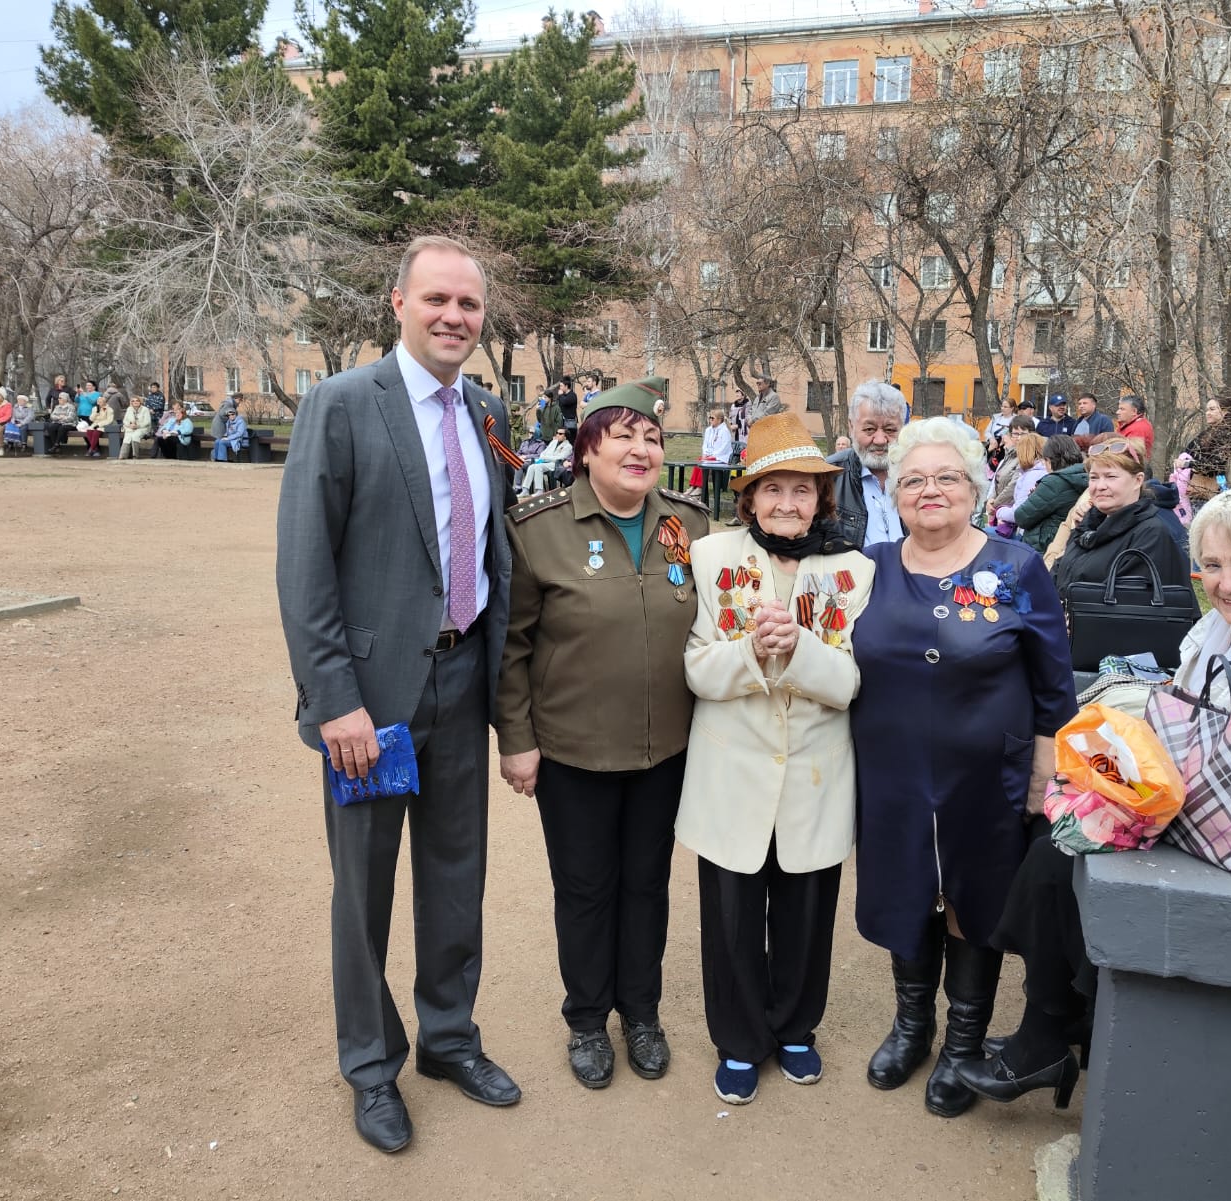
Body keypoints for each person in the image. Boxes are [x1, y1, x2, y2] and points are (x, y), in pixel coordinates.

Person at [970, 488, 1231, 1109]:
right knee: (1056, 828)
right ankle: (1069, 1016)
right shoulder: (1226, 628)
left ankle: (1050, 1033)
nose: (1226, 583)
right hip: (1209, 811)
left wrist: (1142, 813)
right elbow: (1183, 724)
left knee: (1064, 856)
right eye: (1212, 565)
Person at [276, 234, 523, 1154]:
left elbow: (494, 552)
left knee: (457, 877)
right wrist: (333, 699)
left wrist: (505, 698)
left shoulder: (488, 410)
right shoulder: (342, 405)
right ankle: (372, 1065)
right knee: (364, 890)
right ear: (398, 304)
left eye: (469, 304)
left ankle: (449, 1038)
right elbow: (305, 568)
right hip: (371, 703)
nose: (454, 316)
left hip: (462, 681)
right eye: (437, 300)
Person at [851, 417, 1077, 1118]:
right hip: (890, 773)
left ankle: (963, 1041)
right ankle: (912, 1025)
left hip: (987, 777)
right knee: (907, 890)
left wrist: (1043, 772)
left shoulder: (1017, 568)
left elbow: (1054, 684)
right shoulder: (868, 568)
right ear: (894, 491)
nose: (931, 490)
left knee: (971, 900)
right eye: (913, 479)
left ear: (975, 488)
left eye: (947, 477)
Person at [496, 377, 710, 1091]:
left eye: (652, 437)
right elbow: (513, 647)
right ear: (587, 449)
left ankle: (641, 1013)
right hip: (573, 750)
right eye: (623, 436)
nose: (641, 449)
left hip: (666, 747)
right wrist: (516, 739)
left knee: (647, 884)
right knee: (586, 888)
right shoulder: (538, 529)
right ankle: (588, 1018)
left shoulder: (691, 524)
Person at [676, 414, 874, 1106]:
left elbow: (852, 682)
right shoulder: (710, 558)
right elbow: (697, 669)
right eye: (773, 489)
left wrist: (800, 649)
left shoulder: (855, 571)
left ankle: (794, 1027)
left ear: (822, 499)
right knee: (730, 917)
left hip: (817, 773)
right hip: (731, 773)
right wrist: (752, 651)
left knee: (806, 912)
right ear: (749, 497)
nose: (787, 503)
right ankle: (738, 1038)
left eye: (802, 490)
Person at [1051, 437, 1197, 658]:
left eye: (1111, 477)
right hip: (1067, 647)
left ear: (1138, 480)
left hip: (1112, 660)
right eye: (1094, 477)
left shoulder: (1151, 534)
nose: (1100, 486)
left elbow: (1127, 608)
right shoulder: (1089, 526)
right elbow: (1059, 574)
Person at [830, 379, 906, 547]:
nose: (880, 440)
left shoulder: (919, 477)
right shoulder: (828, 477)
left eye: (890, 430)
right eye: (869, 429)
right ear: (851, 427)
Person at [1012, 435, 1087, 551]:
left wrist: (1034, 496)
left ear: (1050, 460)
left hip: (1043, 546)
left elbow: (1021, 517)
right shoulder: (1084, 474)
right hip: (1068, 544)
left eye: (1044, 460)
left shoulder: (1054, 482)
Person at [1182, 394, 1231, 509]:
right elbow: (1189, 450)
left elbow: (1214, 465)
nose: (1208, 413)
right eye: (1207, 410)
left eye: (1212, 409)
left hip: (1211, 487)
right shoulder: (1208, 432)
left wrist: (1187, 464)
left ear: (1225, 412)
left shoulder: (1227, 435)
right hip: (1199, 485)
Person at [992, 429, 1047, 537]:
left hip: (1025, 533)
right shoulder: (1040, 471)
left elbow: (1018, 513)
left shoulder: (1032, 475)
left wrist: (999, 511)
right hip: (1030, 529)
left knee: (985, 533)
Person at [986, 416, 1039, 523]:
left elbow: (1013, 485)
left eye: (1023, 434)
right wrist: (990, 500)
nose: (1019, 438)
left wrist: (995, 504)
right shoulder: (1009, 454)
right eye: (1015, 434)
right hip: (1000, 509)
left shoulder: (1029, 457)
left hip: (1013, 512)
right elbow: (997, 480)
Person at [688, 407, 734, 496]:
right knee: (699, 460)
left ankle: (700, 487)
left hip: (721, 457)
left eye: (712, 418)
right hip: (710, 456)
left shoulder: (724, 431)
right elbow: (705, 444)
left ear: (719, 420)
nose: (710, 420)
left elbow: (724, 448)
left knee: (704, 462)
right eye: (710, 418)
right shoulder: (708, 430)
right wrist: (705, 453)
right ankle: (693, 486)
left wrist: (713, 455)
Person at [517, 427, 572, 495]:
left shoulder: (568, 446)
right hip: (546, 462)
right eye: (557, 433)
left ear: (565, 436)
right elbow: (543, 453)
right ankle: (525, 489)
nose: (557, 435)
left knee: (538, 467)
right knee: (531, 467)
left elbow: (559, 458)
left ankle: (539, 490)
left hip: (556, 464)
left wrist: (546, 458)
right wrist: (545, 457)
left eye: (560, 434)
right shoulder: (554, 442)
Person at [1116, 394, 1155, 459]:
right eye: (1119, 409)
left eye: (1122, 409)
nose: (1117, 412)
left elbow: (1130, 457)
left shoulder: (1139, 428)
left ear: (1134, 411)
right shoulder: (1130, 425)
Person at [118, 395, 152, 460]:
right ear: (131, 402)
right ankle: (123, 455)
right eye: (133, 401)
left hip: (143, 428)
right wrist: (130, 425)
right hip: (131, 428)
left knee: (135, 436)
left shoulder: (145, 409)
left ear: (140, 402)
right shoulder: (129, 409)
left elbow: (147, 422)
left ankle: (135, 455)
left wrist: (137, 425)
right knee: (127, 436)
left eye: (137, 401)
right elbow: (125, 421)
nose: (135, 402)